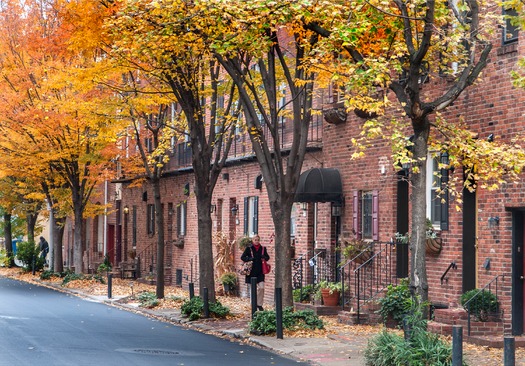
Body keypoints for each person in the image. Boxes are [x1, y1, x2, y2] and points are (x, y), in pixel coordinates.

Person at [240, 234, 270, 311]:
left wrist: (264, 258)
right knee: (252, 290)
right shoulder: (249, 248)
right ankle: (253, 305)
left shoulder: (263, 249)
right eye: (255, 240)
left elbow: (267, 257)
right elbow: (242, 257)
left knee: (261, 287)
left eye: (258, 240)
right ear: (252, 240)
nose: (256, 241)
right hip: (251, 272)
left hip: (260, 272)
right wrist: (250, 258)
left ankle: (259, 304)